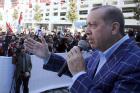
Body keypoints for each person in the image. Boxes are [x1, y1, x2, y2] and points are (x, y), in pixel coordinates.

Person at [24, 5, 140, 93]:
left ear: (114, 28)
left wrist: (79, 74)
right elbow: (76, 68)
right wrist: (47, 56)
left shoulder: (135, 63)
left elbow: (79, 73)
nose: (87, 31)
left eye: (93, 25)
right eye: (87, 26)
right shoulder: (100, 51)